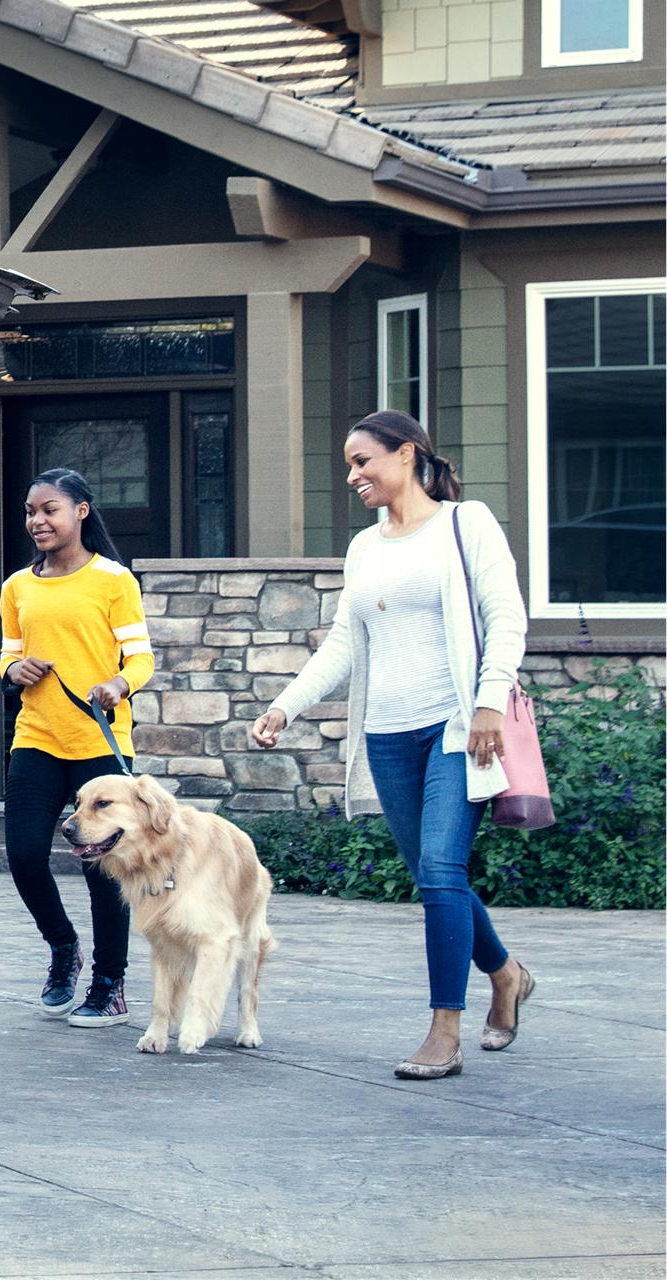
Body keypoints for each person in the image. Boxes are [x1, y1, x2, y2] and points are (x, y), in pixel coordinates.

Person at [251, 410, 535, 1080]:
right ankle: (507, 973)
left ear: (406, 454)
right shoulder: (366, 547)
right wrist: (284, 706)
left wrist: (490, 701)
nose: (352, 476)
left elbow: (506, 619)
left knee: (441, 871)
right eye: (348, 465)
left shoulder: (468, 524)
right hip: (387, 735)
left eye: (362, 461)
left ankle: (444, 1030)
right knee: (435, 879)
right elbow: (348, 643)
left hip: (456, 727)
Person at [0, 468, 154, 1028]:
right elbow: (6, 654)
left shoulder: (114, 581)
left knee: (104, 871)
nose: (37, 521)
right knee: (22, 854)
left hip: (98, 744)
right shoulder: (17, 586)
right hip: (37, 738)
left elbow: (140, 658)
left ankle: (109, 984)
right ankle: (63, 947)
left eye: (49, 510)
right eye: (30, 512)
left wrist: (118, 684)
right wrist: (14, 667)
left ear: (80, 512)